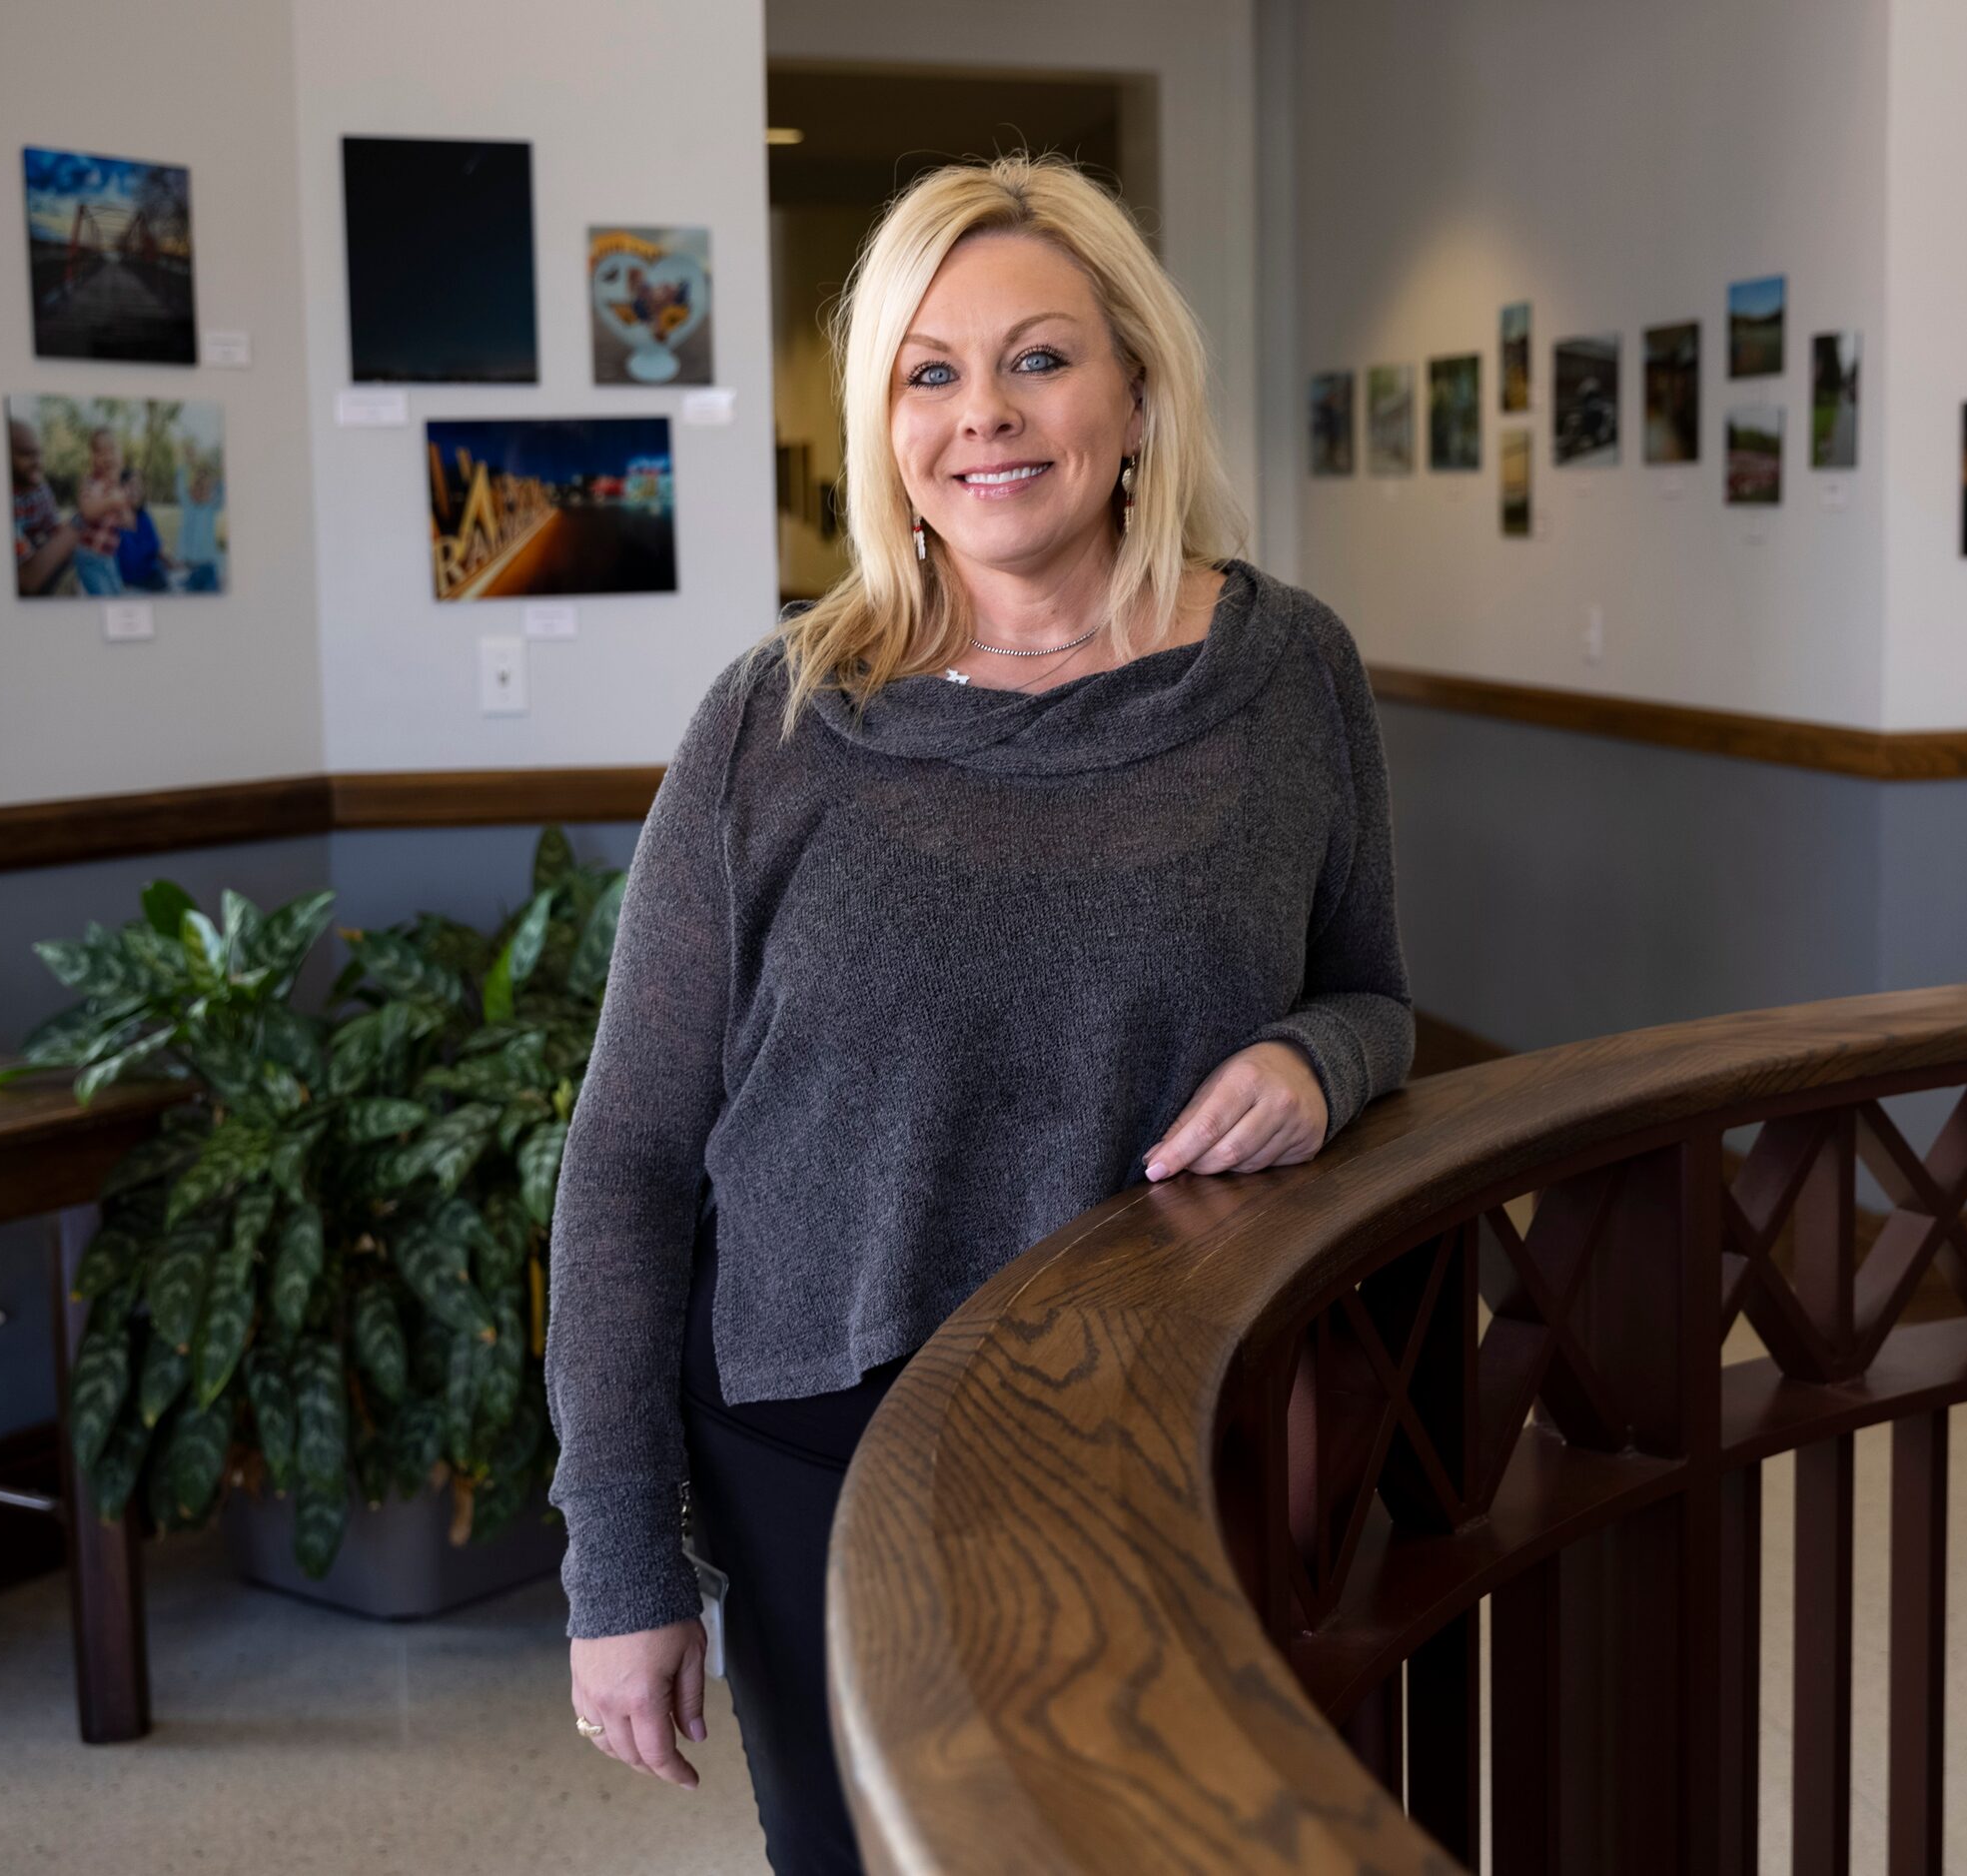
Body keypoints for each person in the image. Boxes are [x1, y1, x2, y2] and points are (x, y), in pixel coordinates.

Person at [543, 152, 1415, 1876]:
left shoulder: (1289, 669)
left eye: (1039, 356)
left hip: (1175, 1413)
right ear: (882, 426)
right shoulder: (769, 723)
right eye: (927, 373)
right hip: (828, 1444)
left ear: (1137, 389)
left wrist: (1314, 1061)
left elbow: (1374, 992)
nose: (984, 416)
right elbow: (630, 1159)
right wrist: (619, 1561)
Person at [9, 417, 79, 597]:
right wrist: (83, 519)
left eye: (39, 454)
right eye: (26, 454)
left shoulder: (40, 488)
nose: (38, 462)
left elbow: (53, 529)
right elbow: (27, 579)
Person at [68, 427, 134, 595]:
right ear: (93, 458)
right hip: (89, 556)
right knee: (104, 598)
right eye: (100, 452)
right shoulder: (89, 483)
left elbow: (130, 524)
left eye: (111, 449)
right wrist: (111, 502)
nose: (107, 456)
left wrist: (122, 506)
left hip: (109, 557)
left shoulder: (119, 489)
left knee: (117, 595)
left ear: (120, 456)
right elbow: (87, 512)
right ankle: (82, 586)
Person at [176, 458, 225, 593]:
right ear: (191, 489)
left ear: (210, 491)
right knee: (189, 591)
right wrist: (185, 463)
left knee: (211, 589)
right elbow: (180, 486)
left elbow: (222, 492)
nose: (200, 490)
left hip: (208, 564)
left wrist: (220, 475)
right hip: (189, 564)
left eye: (205, 487)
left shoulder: (211, 507)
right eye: (197, 486)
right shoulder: (188, 504)